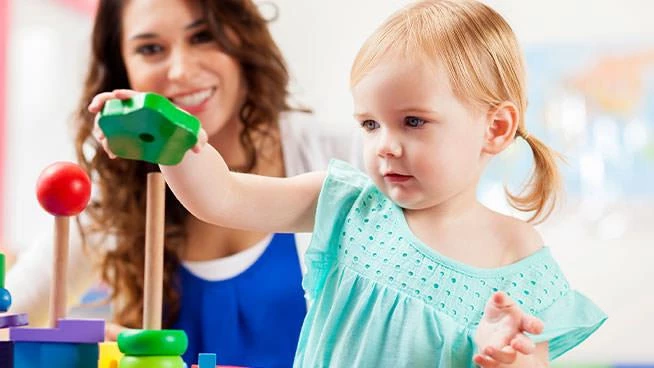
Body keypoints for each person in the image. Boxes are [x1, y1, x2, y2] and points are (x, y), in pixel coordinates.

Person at [92, 0, 608, 366]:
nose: (383, 144)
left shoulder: (518, 256)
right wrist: (170, 143)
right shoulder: (345, 201)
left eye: (412, 122)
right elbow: (221, 195)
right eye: (369, 124)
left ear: (494, 128)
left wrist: (505, 359)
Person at [6, 0, 361, 366]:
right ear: (122, 70)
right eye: (150, 49)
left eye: (203, 36)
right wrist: (90, 346)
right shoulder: (112, 197)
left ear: (243, 39)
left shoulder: (351, 160)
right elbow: (11, 313)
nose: (180, 71)